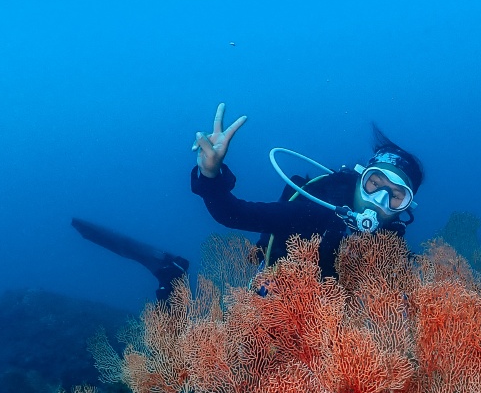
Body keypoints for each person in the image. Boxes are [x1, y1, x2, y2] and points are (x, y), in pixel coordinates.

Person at [73, 103, 424, 299]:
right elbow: (232, 213)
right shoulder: (314, 209)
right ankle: (171, 275)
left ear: (405, 208)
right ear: (361, 178)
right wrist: (210, 176)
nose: (378, 200)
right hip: (275, 291)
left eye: (395, 196)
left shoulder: (390, 244)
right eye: (375, 183)